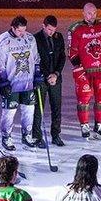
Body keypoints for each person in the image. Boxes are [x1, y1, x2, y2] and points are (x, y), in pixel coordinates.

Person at [68, 3, 101, 140]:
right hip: (85, 71)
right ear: (83, 13)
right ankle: (84, 125)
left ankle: (100, 124)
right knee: (83, 99)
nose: (92, 16)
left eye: (94, 13)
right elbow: (72, 51)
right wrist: (77, 66)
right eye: (89, 13)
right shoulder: (76, 29)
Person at [0, 15, 42, 151]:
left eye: (24, 30)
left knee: (29, 110)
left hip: (27, 82)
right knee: (9, 111)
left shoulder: (30, 38)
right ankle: (6, 137)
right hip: (12, 83)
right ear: (13, 28)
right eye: (19, 31)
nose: (22, 34)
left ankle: (27, 135)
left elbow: (36, 58)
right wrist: (3, 81)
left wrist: (37, 74)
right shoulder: (3, 40)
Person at [31, 15, 65, 147]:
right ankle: (37, 137)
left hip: (56, 78)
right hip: (41, 79)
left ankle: (56, 135)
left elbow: (62, 57)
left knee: (56, 107)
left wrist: (56, 74)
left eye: (54, 30)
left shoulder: (58, 37)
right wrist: (46, 75)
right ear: (43, 26)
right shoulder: (35, 39)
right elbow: (35, 60)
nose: (52, 32)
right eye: (49, 29)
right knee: (38, 108)